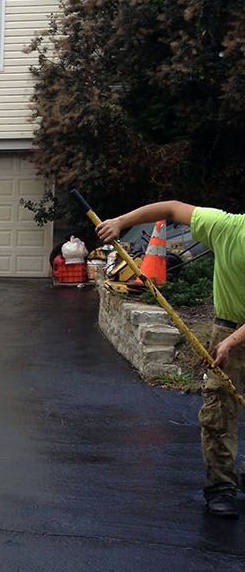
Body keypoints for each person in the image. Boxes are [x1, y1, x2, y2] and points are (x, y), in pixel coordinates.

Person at [96, 200, 245, 518]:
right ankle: (222, 487)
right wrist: (119, 221)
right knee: (219, 411)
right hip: (228, 328)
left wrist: (232, 341)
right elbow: (171, 208)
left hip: (233, 337)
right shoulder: (227, 228)